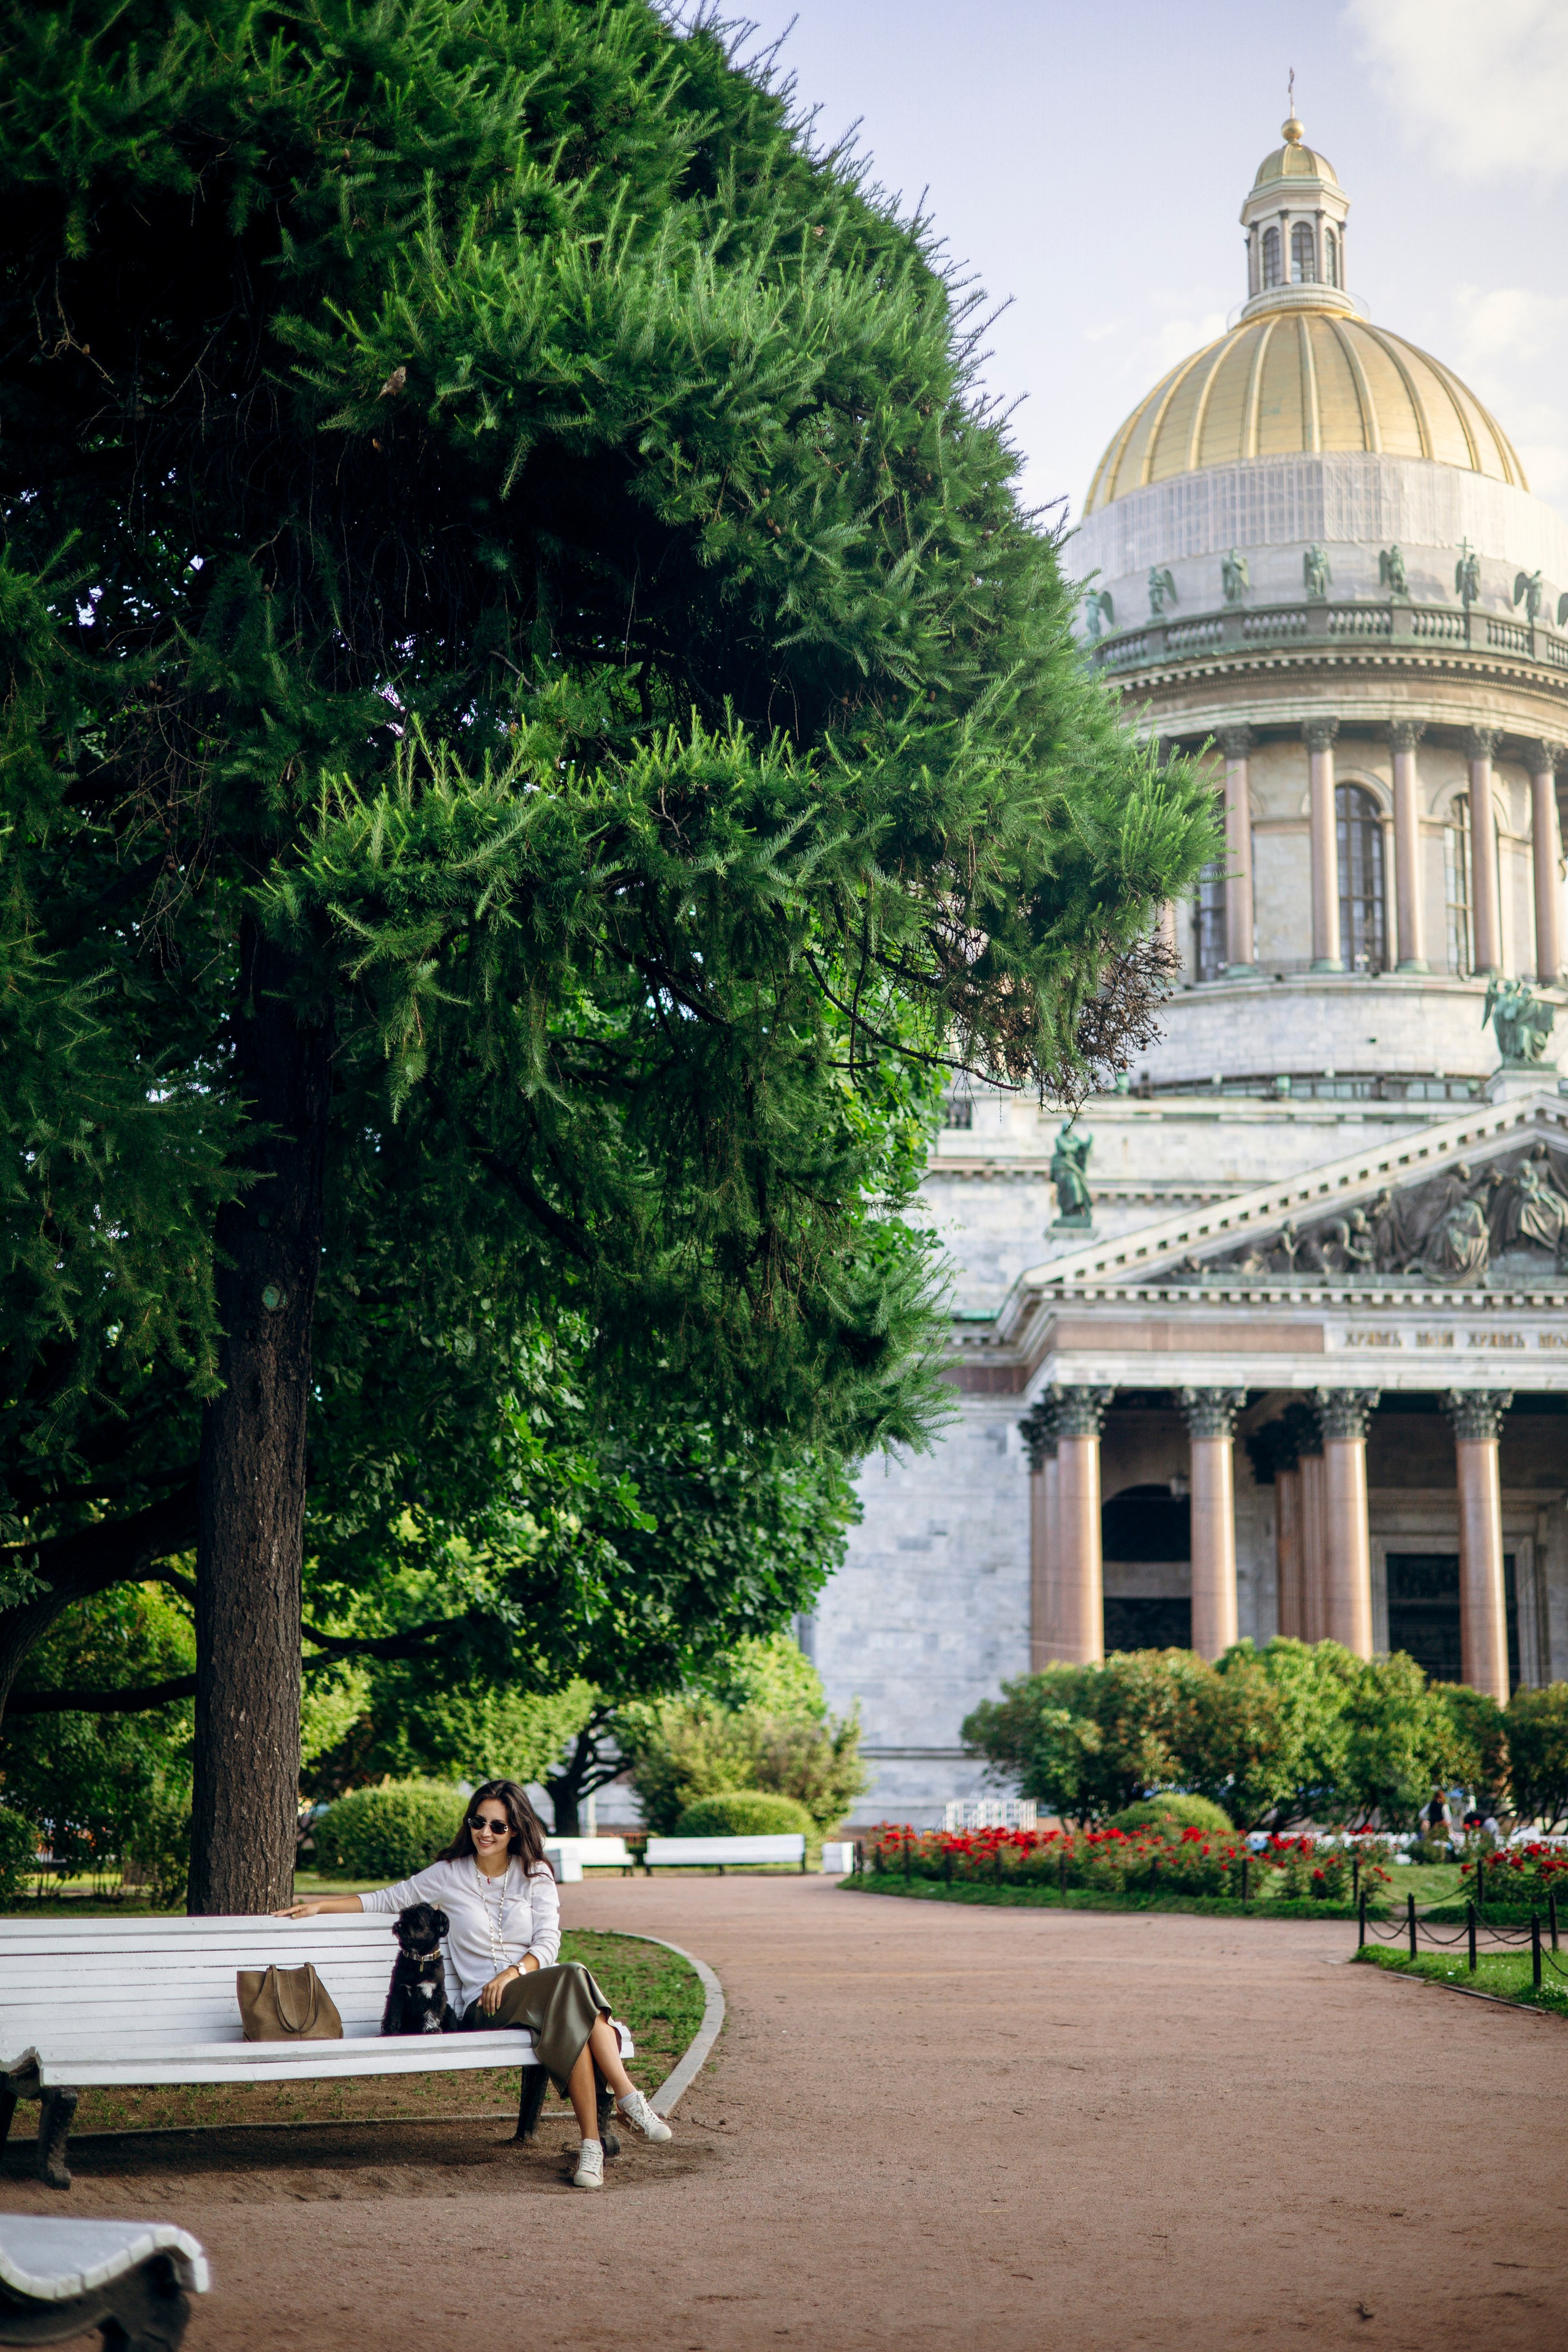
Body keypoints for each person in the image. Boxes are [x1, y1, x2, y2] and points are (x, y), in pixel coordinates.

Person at [279, 1777, 671, 2189]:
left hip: (534, 1994)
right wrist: (321, 1905)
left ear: (516, 1829)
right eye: (478, 1822)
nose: (486, 1833)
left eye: (497, 1826)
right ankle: (629, 2099)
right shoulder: (450, 1874)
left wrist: (513, 1973)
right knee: (575, 1980)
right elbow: (388, 1898)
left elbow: (548, 1942)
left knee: (573, 2013)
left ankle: (591, 2148)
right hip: (480, 2006)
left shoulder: (536, 1874)